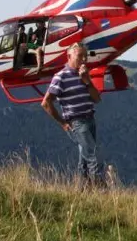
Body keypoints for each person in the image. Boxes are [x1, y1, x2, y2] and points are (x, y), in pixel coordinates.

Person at [41, 42, 105, 189]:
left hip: (90, 120)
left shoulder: (85, 74)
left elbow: (97, 99)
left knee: (84, 160)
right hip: (77, 123)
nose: (83, 60)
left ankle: (82, 190)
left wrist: (87, 81)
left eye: (85, 56)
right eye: (79, 56)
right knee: (94, 157)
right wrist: (62, 123)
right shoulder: (61, 77)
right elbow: (46, 103)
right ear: (69, 56)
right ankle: (100, 191)